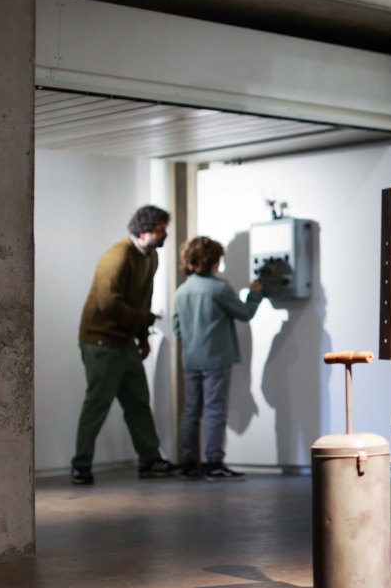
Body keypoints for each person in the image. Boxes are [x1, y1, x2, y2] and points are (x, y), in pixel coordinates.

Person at [71, 205, 180, 485]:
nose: (165, 234)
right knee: (97, 404)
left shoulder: (150, 257)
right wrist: (145, 320)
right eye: (160, 229)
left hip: (124, 341)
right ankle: (80, 465)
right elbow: (108, 303)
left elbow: (143, 299)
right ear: (144, 230)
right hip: (100, 340)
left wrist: (142, 337)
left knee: (138, 402)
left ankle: (150, 460)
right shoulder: (118, 256)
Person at [172, 236, 264, 480]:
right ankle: (214, 463)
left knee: (191, 411)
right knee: (215, 409)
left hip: (191, 359)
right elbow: (244, 313)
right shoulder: (219, 288)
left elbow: (177, 328)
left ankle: (188, 463)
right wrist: (255, 294)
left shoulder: (181, 291)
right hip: (216, 358)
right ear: (213, 261)